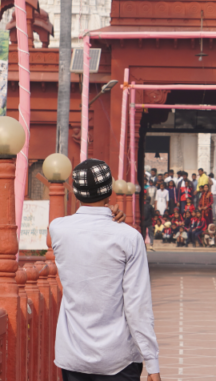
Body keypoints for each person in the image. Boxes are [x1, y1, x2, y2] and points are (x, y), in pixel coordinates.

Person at [48, 158, 161, 381]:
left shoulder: (58, 229)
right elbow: (137, 306)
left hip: (73, 355)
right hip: (118, 358)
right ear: (110, 191)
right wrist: (152, 363)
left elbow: (49, 237)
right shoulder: (129, 237)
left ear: (77, 193)